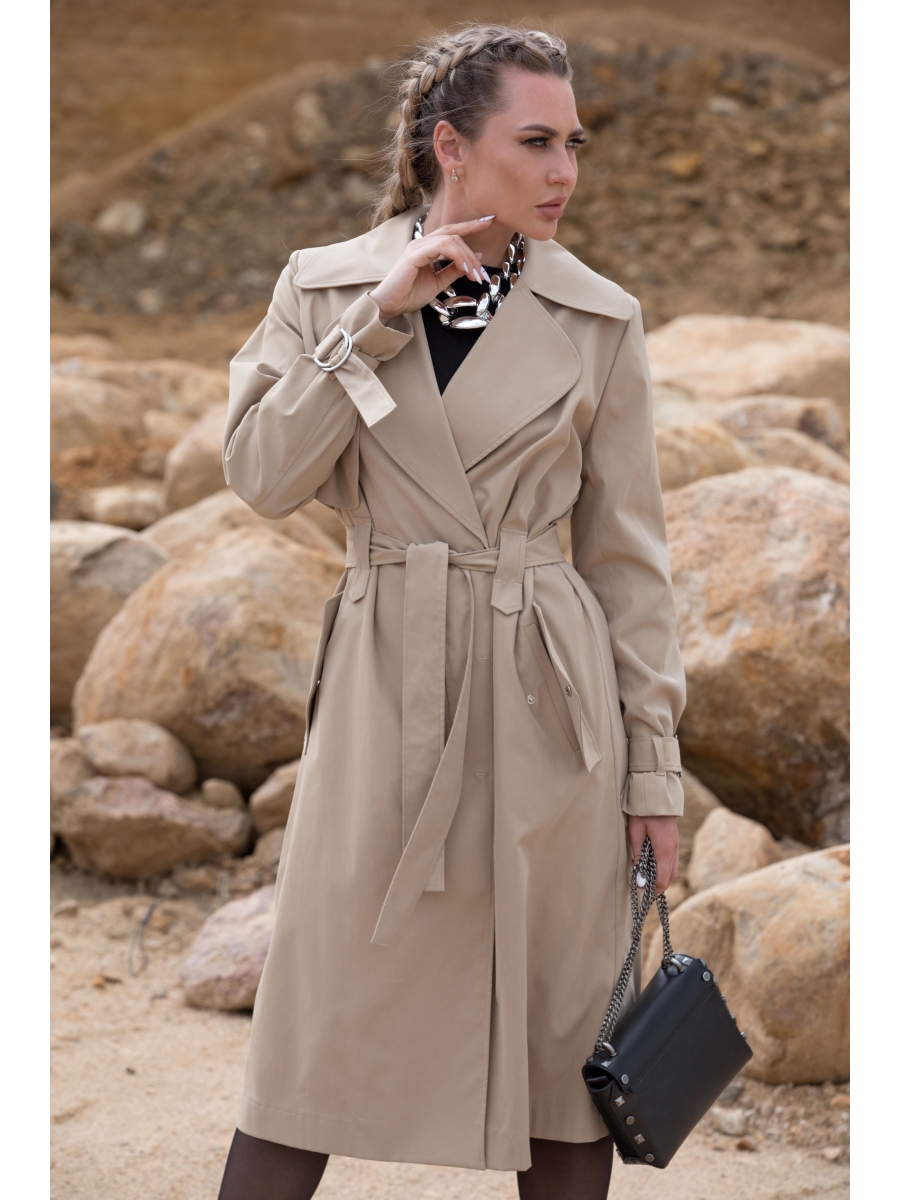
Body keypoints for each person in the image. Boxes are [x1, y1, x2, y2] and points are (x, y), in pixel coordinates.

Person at [217, 24, 685, 1200]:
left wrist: (654, 777)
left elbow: (629, 566)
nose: (564, 171)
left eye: (573, 143)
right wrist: (377, 318)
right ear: (451, 148)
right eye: (535, 142)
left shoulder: (600, 317)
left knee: (563, 1044)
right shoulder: (323, 286)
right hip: (386, 689)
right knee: (315, 1033)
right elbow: (263, 475)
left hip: (550, 709)